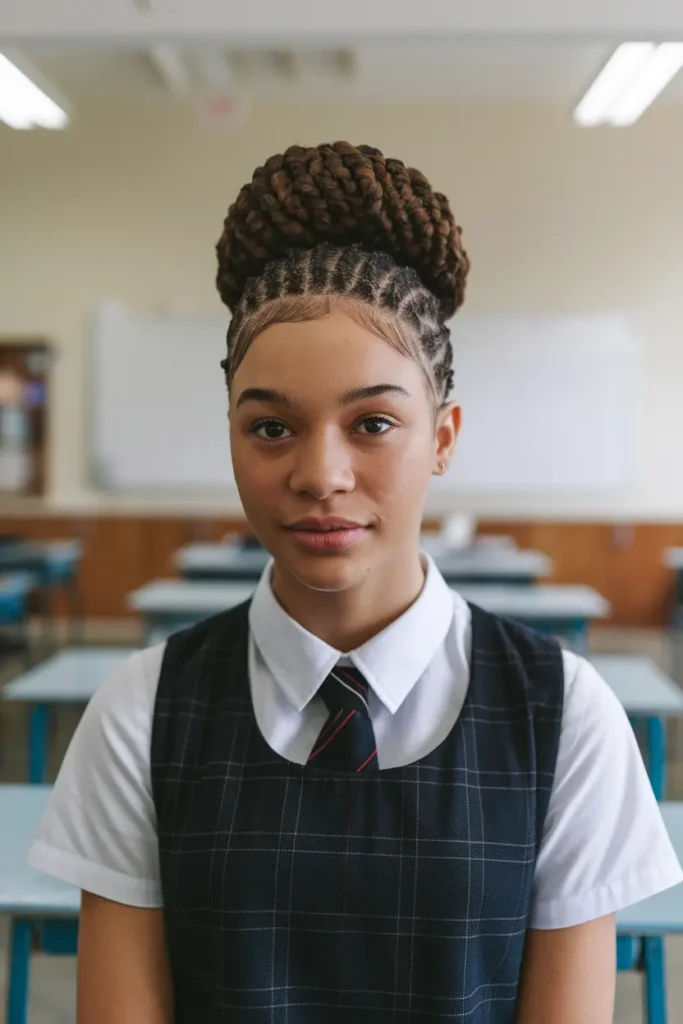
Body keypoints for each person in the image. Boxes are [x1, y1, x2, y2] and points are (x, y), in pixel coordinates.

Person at [31, 142, 682, 1023]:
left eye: (372, 422)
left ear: (443, 436)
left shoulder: (563, 718)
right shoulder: (140, 715)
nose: (320, 473)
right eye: (270, 428)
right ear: (229, 432)